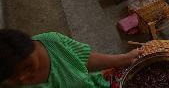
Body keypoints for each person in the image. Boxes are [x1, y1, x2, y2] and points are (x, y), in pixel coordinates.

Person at [0, 28, 140, 87]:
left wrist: (125, 58)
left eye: (27, 67)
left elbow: (86, 59)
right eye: (13, 76)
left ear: (31, 45)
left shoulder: (53, 42)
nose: (23, 79)